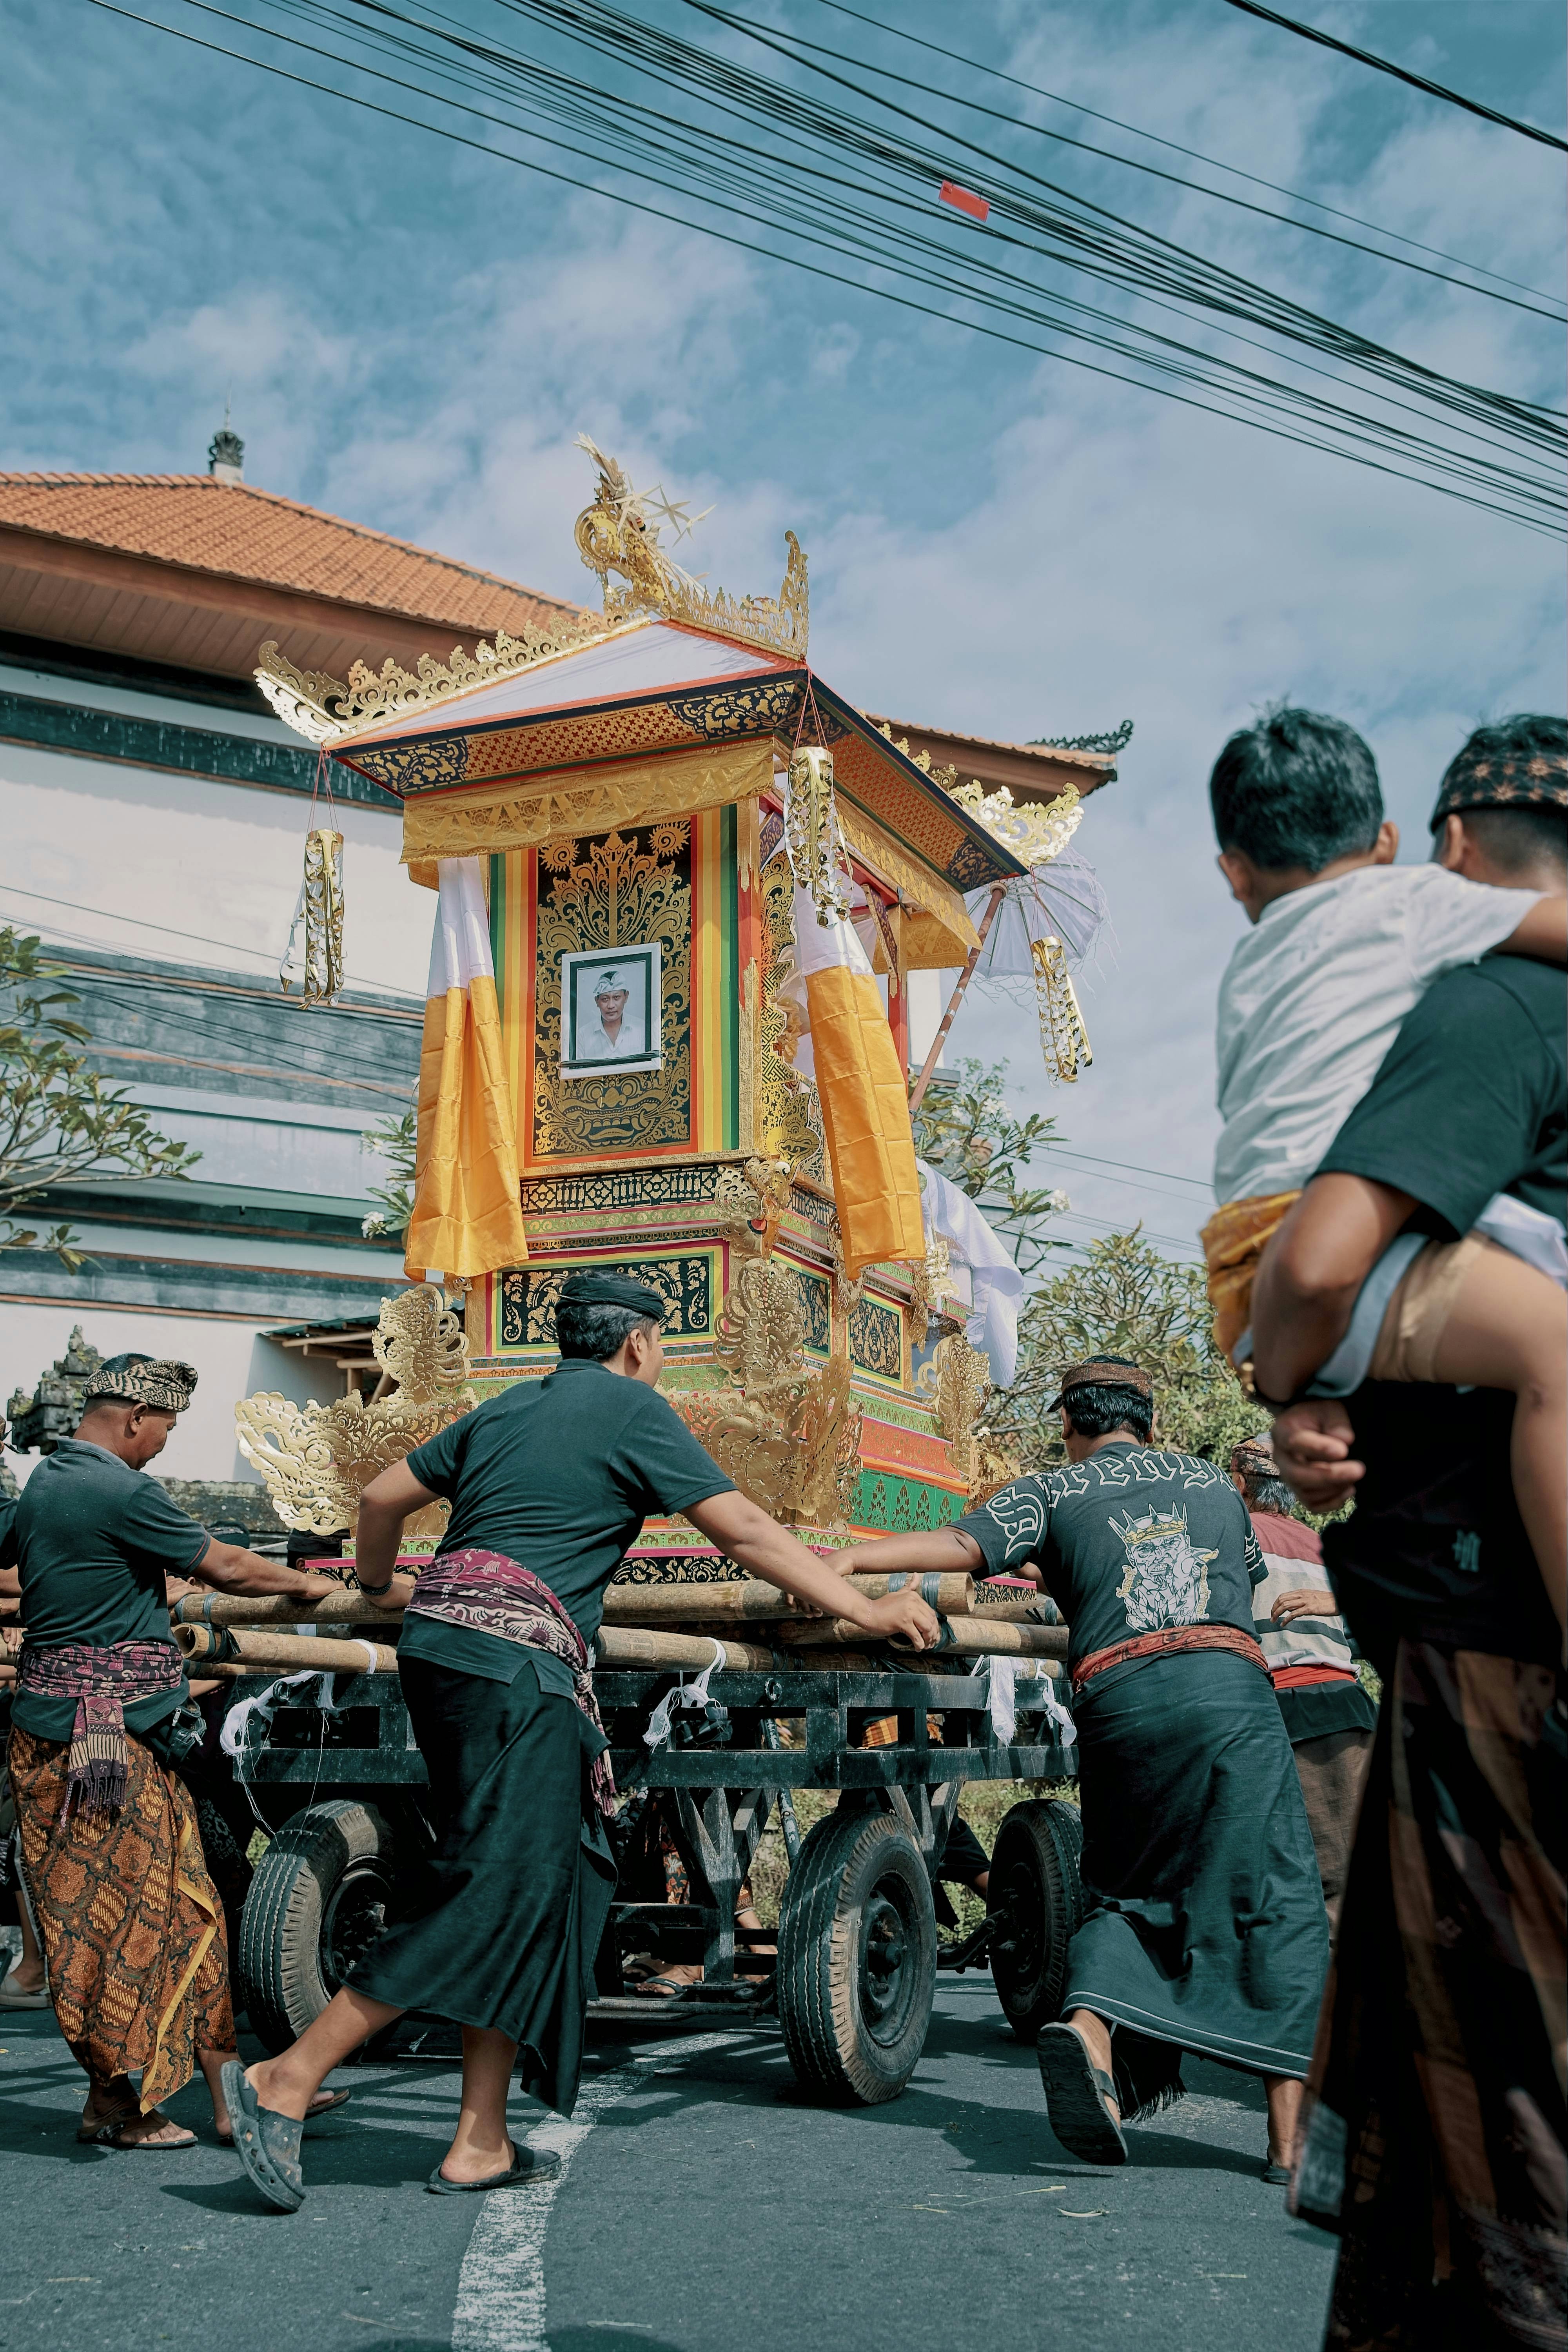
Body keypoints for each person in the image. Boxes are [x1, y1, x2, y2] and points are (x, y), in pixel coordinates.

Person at [224, 1270, 940, 2212]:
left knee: (528, 1880)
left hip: (444, 1650)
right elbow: (747, 1531)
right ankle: (290, 2075)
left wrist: (379, 1584)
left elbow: (379, 1498)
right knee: (497, 1885)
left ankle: (480, 2139)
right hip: (514, 1664)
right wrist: (865, 1605)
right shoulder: (633, 1411)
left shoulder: (501, 1410)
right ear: (639, 1343)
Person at [1251, 730, 1566, 2348]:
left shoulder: (1486, 1001)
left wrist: (1277, 1379)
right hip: (1453, 1646)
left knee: (1503, 2152)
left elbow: (1318, 1250)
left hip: (1501, 1665)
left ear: (1447, 839)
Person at [837, 1356, 1328, 2179]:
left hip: (1123, 1704)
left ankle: (1092, 2035)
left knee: (1126, 1886)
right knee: (1273, 1893)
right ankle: (1289, 2143)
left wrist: (846, 1565)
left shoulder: (1051, 1492)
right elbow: (1232, 1581)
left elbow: (961, 1548)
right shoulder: (1213, 1485)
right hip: (1229, 1699)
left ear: (1069, 1425)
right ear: (1151, 1420)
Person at [1199, 709, 1566, 1609]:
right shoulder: (1408, 906)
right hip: (1329, 1250)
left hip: (1249, 1267)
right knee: (1552, 1347)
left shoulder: (1247, 968)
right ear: (1391, 839)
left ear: (1233, 874)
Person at [0, 1354, 338, 2148]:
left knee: (171, 1913)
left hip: (79, 1730)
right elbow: (222, 1565)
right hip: (99, 1744)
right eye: (163, 1430)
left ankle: (225, 2101)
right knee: (117, 1922)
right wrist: (305, 1586)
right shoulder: (117, 1488)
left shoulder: (47, 1483)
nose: (160, 1446)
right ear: (129, 1420)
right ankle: (118, 2105)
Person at [1229, 1436, 1374, 1932]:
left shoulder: (1232, 1535)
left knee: (1284, 1877)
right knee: (1346, 1873)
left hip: (1284, 1712)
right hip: (1347, 1711)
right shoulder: (1321, 1547)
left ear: (1239, 1483)